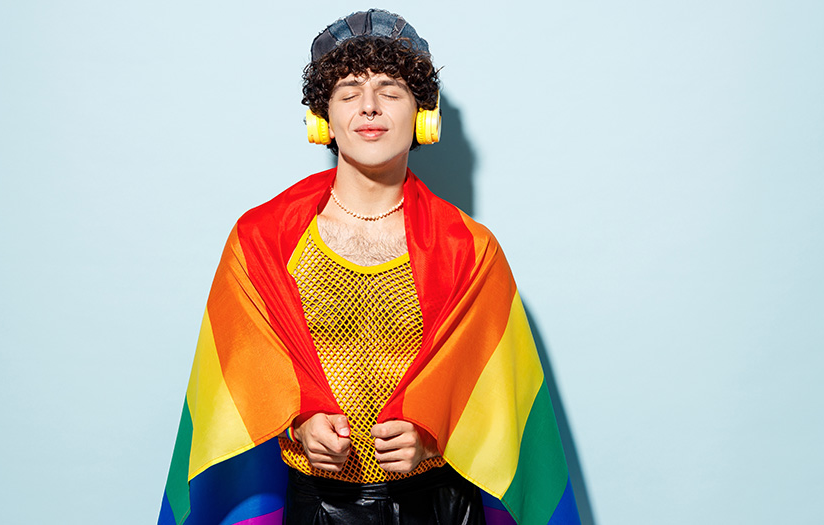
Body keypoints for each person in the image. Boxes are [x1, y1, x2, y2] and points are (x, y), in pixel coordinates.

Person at [159, 9, 580, 525]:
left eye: (391, 90)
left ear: (423, 114)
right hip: (314, 506)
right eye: (349, 92)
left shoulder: (470, 250)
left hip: (439, 506)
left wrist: (435, 435)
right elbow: (238, 390)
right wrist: (295, 426)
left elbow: (501, 402)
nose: (370, 107)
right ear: (323, 119)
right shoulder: (260, 242)